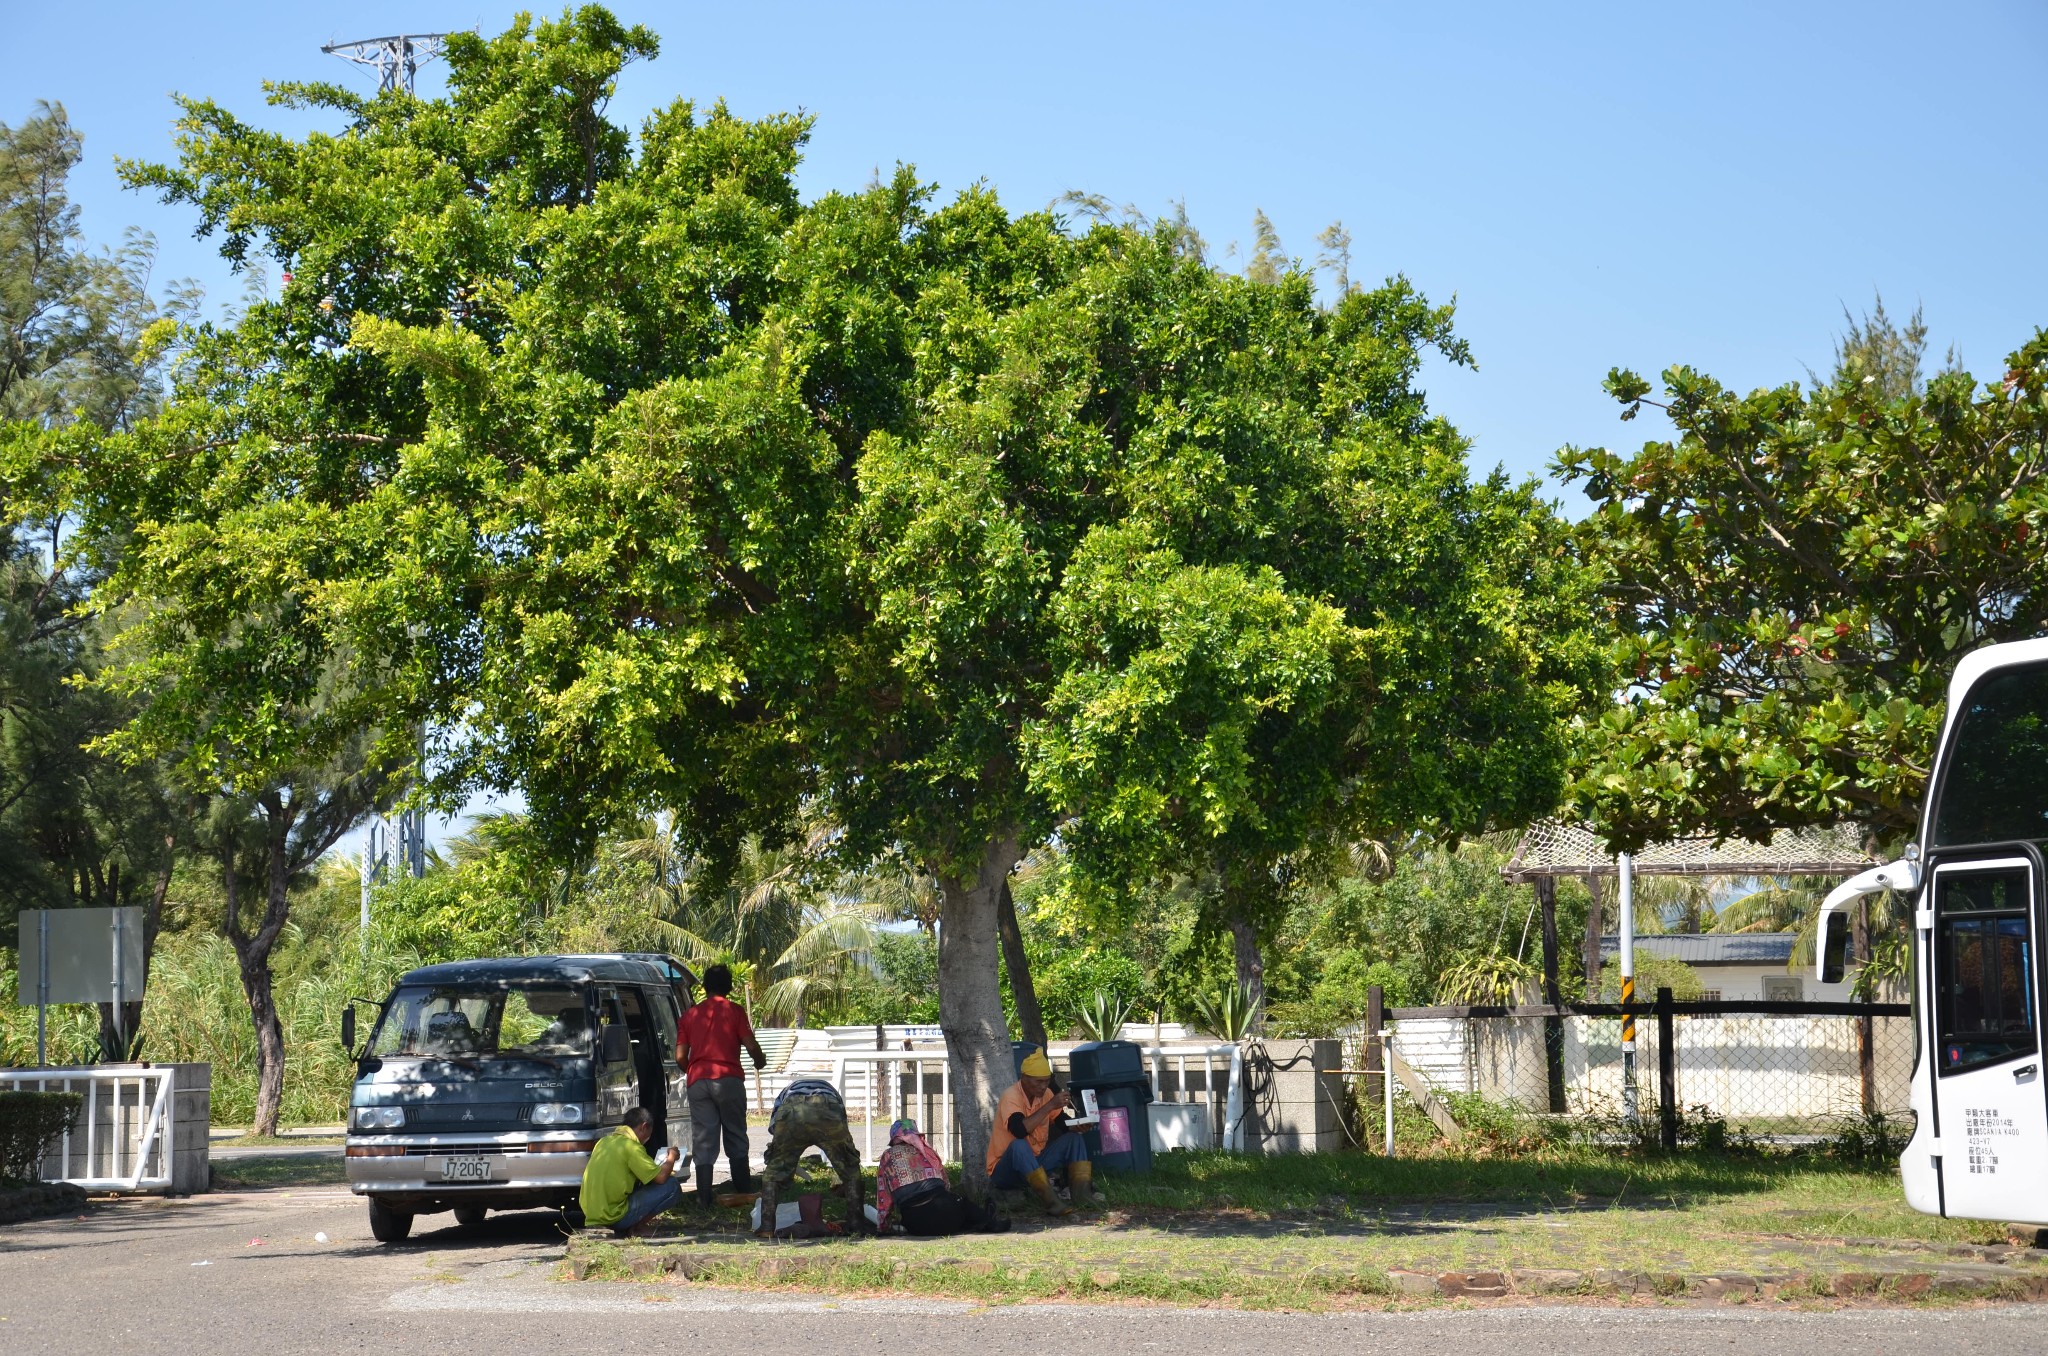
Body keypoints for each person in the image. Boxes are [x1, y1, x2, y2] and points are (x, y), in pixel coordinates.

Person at [675, 963, 767, 1202]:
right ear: (729, 987)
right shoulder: (735, 1011)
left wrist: (694, 1071)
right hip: (728, 1079)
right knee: (735, 1132)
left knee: (704, 1138)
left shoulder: (690, 1015)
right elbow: (751, 1045)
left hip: (698, 1081)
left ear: (704, 987)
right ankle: (743, 1190)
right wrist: (760, 1061)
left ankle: (704, 1197)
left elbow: (679, 1056)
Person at [987, 1047, 1095, 1215]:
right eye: (1038, 1082)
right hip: (1006, 1171)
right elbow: (1019, 1130)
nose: (1043, 1086)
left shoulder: (1046, 1094)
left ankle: (1083, 1196)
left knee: (1074, 1139)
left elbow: (1062, 1123)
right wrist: (1050, 1105)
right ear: (1024, 1078)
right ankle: (1052, 1203)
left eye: (1046, 1081)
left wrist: (1078, 1125)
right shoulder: (1011, 1096)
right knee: (1019, 1145)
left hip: (1035, 1164)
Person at [756, 1078, 867, 1238]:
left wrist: (782, 1159)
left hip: (792, 1111)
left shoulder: (785, 1094)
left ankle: (767, 1227)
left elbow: (775, 1127)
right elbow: (842, 1123)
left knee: (773, 1172)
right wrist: (842, 1168)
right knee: (850, 1168)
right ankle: (856, 1224)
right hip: (828, 1110)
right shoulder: (832, 1092)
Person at [876, 1118, 1010, 1236]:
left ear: (894, 1138)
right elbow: (946, 1185)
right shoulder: (927, 1151)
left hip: (915, 1224)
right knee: (962, 1203)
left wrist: (883, 1226)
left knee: (940, 1212)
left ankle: (979, 1222)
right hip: (948, 1216)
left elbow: (884, 1197)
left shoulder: (887, 1157)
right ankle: (988, 1221)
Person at [578, 1106, 682, 1236]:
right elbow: (661, 1178)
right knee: (672, 1185)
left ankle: (631, 1225)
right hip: (613, 1216)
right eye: (649, 1134)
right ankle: (637, 1227)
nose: (648, 1138)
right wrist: (671, 1157)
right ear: (644, 1127)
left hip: (592, 1214)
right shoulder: (632, 1147)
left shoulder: (603, 1142)